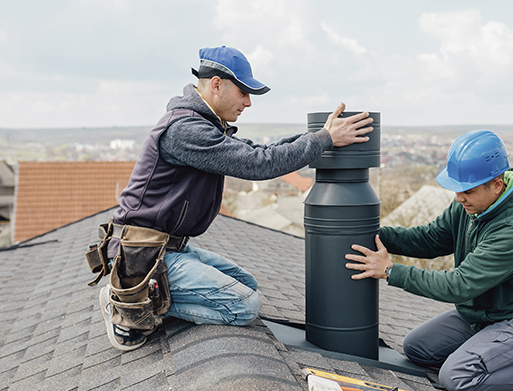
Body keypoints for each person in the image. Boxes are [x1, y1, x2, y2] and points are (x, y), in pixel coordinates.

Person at [100, 46, 373, 352]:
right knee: (244, 305)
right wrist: (325, 139)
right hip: (142, 256)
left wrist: (318, 135)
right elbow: (260, 164)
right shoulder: (186, 130)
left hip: (167, 250)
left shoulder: (204, 125)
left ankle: (149, 294)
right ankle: (130, 302)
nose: (248, 102)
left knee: (247, 285)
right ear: (216, 84)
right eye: (243, 92)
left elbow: (257, 151)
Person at [345, 130, 513, 391]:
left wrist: (390, 271)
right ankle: (494, 358)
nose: (459, 198)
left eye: (467, 191)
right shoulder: (472, 206)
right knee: (417, 348)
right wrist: (374, 235)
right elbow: (431, 239)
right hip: (484, 315)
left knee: (457, 377)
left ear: (497, 185)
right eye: (457, 189)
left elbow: (458, 286)